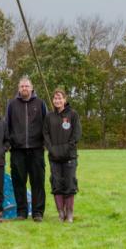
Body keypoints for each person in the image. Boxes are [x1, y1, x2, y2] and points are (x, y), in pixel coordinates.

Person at [6, 76, 47, 221]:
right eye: (22, 86)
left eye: (27, 86)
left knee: (37, 182)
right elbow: (7, 126)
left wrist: (45, 143)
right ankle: (21, 212)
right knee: (19, 182)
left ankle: (37, 213)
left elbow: (46, 125)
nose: (24, 88)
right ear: (19, 88)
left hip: (36, 150)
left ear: (32, 88)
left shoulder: (40, 103)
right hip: (17, 150)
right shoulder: (12, 104)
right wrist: (10, 142)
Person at [43, 88, 81, 222]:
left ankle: (70, 214)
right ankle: (61, 214)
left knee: (69, 184)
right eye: (55, 98)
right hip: (54, 157)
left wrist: (65, 149)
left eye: (60, 98)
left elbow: (76, 135)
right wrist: (51, 149)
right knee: (57, 184)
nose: (57, 100)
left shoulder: (73, 115)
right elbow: (45, 134)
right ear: (53, 100)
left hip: (69, 157)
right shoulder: (49, 116)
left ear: (65, 99)